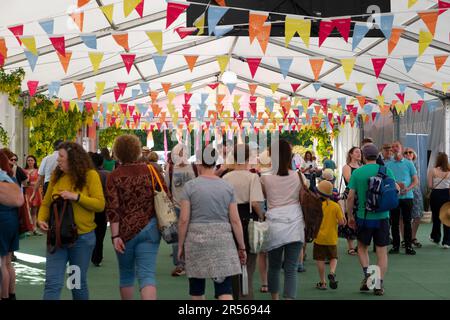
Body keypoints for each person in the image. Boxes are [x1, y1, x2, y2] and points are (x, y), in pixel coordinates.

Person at [37, 142, 105, 300]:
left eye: (61, 156)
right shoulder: (56, 175)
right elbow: (46, 203)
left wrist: (76, 197)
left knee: (76, 283)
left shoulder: (90, 175)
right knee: (52, 283)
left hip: (81, 240)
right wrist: (41, 219)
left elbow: (100, 205)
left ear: (73, 159)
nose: (58, 160)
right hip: (57, 238)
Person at [178, 145, 246, 300]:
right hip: (222, 240)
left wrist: (181, 244)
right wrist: (241, 246)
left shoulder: (190, 186)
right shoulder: (227, 186)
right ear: (215, 162)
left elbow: (183, 220)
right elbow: (235, 220)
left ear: (199, 163)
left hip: (196, 240)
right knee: (224, 290)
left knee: (197, 290)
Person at [106, 135, 163, 300]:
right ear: (138, 151)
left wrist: (115, 235)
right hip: (151, 228)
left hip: (124, 232)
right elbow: (164, 194)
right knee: (147, 276)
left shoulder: (114, 176)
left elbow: (113, 209)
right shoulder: (152, 171)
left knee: (126, 275)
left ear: (117, 153)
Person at [347, 144, 394, 296]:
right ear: (377, 156)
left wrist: (350, 216)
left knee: (362, 248)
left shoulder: (358, 172)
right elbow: (395, 190)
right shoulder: (386, 170)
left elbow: (350, 196)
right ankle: (378, 283)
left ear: (364, 156)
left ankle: (368, 276)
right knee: (382, 252)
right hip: (383, 217)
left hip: (364, 217)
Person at [261, 139, 305, 300]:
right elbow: (302, 199)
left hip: (274, 224)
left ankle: (275, 298)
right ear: (289, 156)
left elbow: (263, 198)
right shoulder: (299, 176)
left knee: (273, 267)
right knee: (291, 268)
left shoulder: (265, 178)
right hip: (295, 223)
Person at [223, 144, 265, 300]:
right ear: (248, 158)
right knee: (248, 267)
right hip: (248, 223)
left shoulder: (226, 177)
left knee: (233, 269)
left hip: (229, 222)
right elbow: (255, 203)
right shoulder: (252, 177)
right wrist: (261, 215)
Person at [164, 144, 197, 277]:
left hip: (182, 206)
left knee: (181, 236)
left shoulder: (172, 168)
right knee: (185, 235)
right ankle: (184, 263)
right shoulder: (191, 167)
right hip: (186, 206)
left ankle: (182, 264)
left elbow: (166, 186)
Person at [386, 141, 418, 255]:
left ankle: (408, 246)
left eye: (397, 146)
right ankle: (395, 246)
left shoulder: (409, 163)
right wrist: (394, 187)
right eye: (393, 147)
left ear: (401, 148)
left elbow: (415, 180)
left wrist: (407, 189)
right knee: (394, 222)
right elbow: (385, 181)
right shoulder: (388, 164)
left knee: (407, 222)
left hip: (407, 197)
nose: (394, 148)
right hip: (394, 197)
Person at [313, 181, 345, 290]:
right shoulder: (335, 206)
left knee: (320, 259)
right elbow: (341, 222)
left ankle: (323, 282)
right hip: (331, 238)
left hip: (318, 238)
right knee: (333, 257)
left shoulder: (315, 206)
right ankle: (332, 272)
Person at [0, 151, 23, 300]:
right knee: (7, 262)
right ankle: (11, 294)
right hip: (12, 220)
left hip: (2, 219)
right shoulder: (11, 178)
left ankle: (4, 295)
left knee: (2, 263)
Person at [89, 152, 110, 267]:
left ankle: (86, 254)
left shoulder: (84, 174)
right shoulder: (106, 174)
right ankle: (97, 257)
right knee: (100, 234)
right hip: (102, 207)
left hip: (87, 207)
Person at [340, 147, 362, 255]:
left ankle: (360, 244)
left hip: (361, 195)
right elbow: (349, 180)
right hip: (351, 194)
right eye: (356, 152)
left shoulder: (362, 166)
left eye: (360, 152)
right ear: (351, 154)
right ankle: (350, 246)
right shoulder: (347, 167)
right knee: (350, 217)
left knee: (360, 218)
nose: (359, 154)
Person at [427, 152, 450, 248]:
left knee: (436, 217)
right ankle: (447, 242)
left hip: (436, 195)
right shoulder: (449, 171)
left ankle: (436, 237)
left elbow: (430, 185)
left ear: (438, 160)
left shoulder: (433, 171)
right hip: (447, 194)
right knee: (447, 217)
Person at [402, 148, 423, 248]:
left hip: (415, 192)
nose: (408, 154)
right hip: (403, 192)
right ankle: (403, 239)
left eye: (410, 152)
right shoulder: (401, 165)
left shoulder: (415, 165)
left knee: (417, 216)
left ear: (414, 155)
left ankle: (413, 237)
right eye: (405, 152)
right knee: (402, 216)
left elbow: (416, 179)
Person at [23, 155, 43, 236]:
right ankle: (28, 229)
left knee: (34, 211)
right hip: (27, 191)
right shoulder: (23, 171)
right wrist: (30, 181)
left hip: (35, 192)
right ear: (26, 162)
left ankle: (34, 228)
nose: (30, 162)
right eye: (28, 160)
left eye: (31, 160)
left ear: (34, 161)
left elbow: (41, 182)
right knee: (27, 211)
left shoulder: (38, 171)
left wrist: (34, 184)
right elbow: (24, 183)